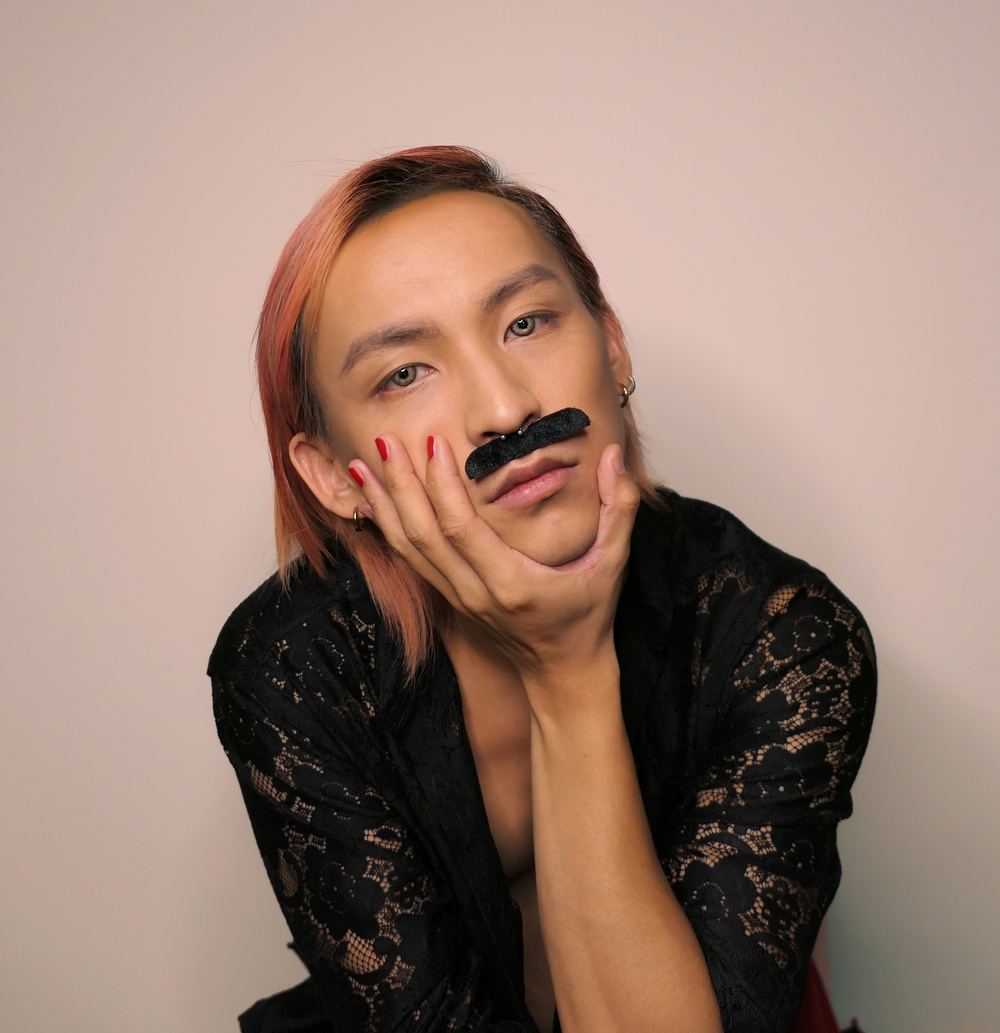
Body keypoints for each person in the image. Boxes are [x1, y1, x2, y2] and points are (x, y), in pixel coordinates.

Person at [209, 146, 876, 1033]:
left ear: (611, 344)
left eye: (526, 323)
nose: (504, 408)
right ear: (333, 474)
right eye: (405, 373)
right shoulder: (296, 668)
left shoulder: (782, 635)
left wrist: (570, 671)